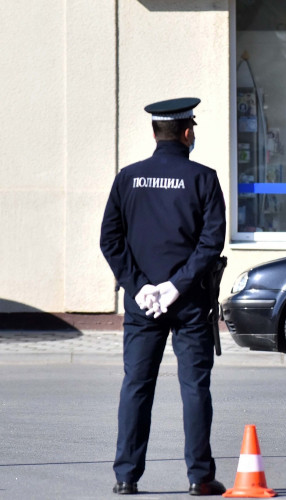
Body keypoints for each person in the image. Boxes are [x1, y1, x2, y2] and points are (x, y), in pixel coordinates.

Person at [99, 97, 227, 496]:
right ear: (187, 132)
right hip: (189, 302)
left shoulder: (128, 178)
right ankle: (200, 478)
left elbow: (110, 240)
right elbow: (211, 242)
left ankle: (126, 476)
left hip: (143, 304)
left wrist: (140, 287)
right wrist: (177, 286)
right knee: (194, 387)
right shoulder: (203, 177)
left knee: (137, 385)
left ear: (155, 132)